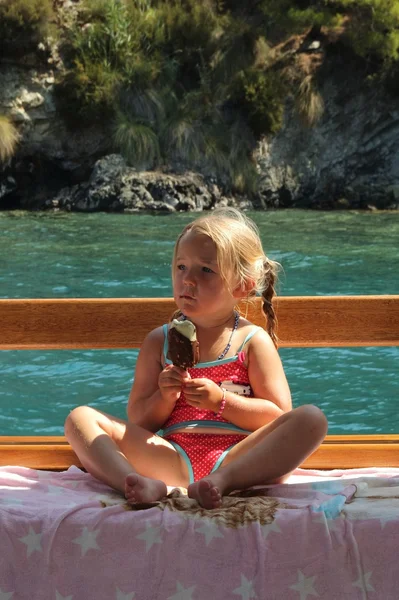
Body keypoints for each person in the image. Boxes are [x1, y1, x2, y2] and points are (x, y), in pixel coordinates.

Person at [64, 207, 328, 509]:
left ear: (243, 286)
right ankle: (136, 483)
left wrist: (221, 401)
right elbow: (139, 422)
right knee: (79, 420)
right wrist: (164, 397)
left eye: (205, 270)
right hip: (171, 458)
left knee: (311, 420)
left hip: (240, 457)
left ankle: (223, 482)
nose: (187, 280)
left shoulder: (252, 341)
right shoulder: (159, 342)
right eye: (180, 267)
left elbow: (277, 417)